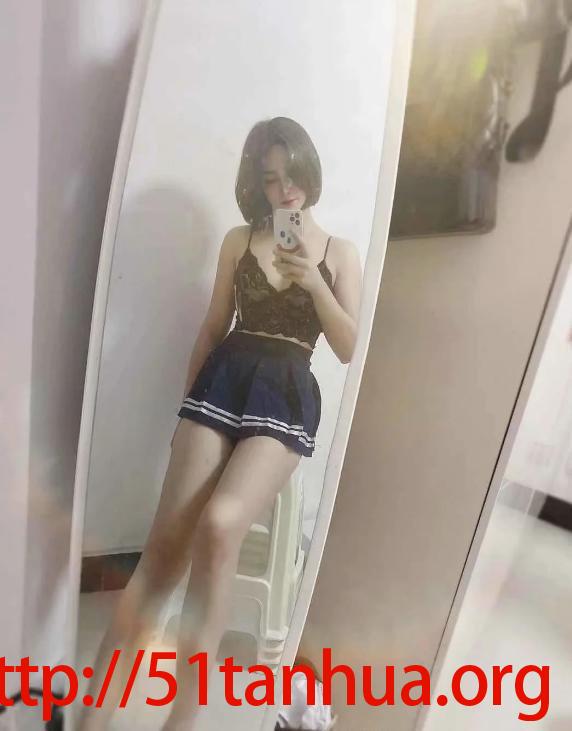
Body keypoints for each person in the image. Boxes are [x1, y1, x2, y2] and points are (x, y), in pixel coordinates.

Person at [79, 116, 362, 730]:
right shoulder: (239, 240)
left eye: (293, 173)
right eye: (271, 179)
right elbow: (213, 326)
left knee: (219, 524)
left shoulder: (340, 252)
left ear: (310, 170)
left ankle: (180, 722)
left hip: (286, 392)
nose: (285, 189)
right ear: (257, 185)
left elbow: (347, 346)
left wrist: (314, 283)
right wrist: (186, 410)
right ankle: (91, 719)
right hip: (225, 379)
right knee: (162, 552)